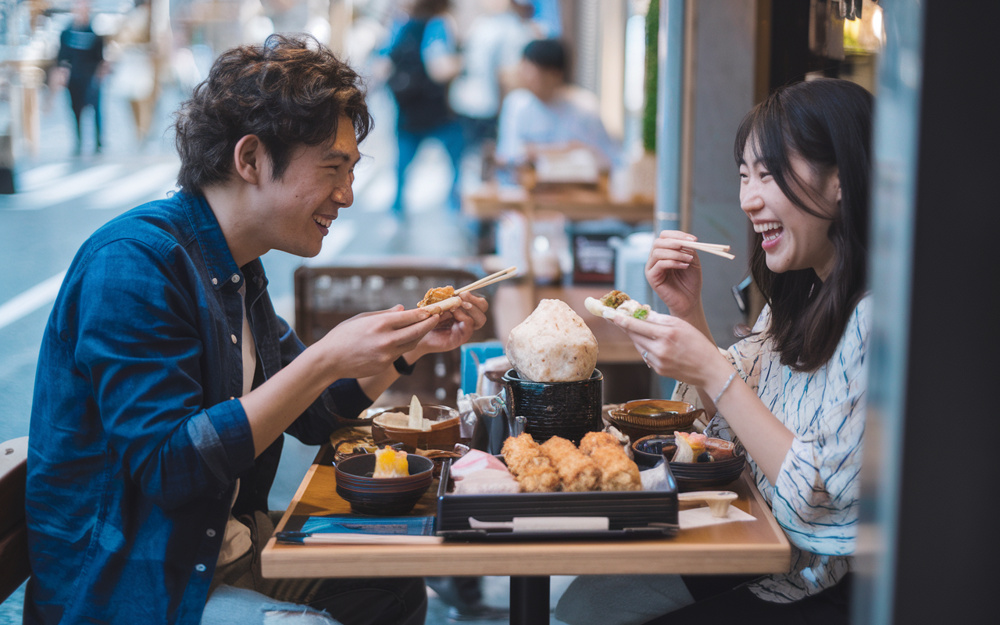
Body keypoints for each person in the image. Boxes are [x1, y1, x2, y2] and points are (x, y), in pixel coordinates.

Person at [24, 34, 488, 625]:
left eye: (352, 169)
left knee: (392, 582)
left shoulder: (235, 264)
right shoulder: (133, 264)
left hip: (217, 554)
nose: (346, 194)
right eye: (332, 168)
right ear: (249, 160)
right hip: (138, 587)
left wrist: (407, 348)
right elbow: (170, 466)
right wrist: (324, 358)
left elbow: (316, 412)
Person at [555, 78, 873, 625]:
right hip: (760, 550)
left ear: (841, 179)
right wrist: (688, 314)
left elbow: (816, 506)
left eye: (769, 175)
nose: (749, 199)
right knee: (581, 604)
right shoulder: (800, 296)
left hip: (817, 585)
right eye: (745, 175)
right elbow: (726, 441)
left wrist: (710, 365)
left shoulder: (875, 318)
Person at [381, 0, 464, 218]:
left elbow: (383, 64)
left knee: (402, 168)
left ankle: (397, 212)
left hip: (408, 110)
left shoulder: (399, 25)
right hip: (438, 110)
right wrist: (465, 61)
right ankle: (455, 209)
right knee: (457, 163)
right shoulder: (438, 24)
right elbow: (440, 69)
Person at [494, 38, 619, 174]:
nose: (523, 74)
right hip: (524, 190)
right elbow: (507, 155)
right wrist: (566, 150)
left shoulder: (584, 108)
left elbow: (608, 159)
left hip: (572, 190)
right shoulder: (516, 104)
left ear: (555, 74)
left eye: (530, 69)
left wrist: (536, 151)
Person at [53, 0, 107, 155]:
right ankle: (79, 140)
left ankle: (98, 141)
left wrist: (98, 76)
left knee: (95, 109)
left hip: (90, 77)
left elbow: (100, 58)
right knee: (75, 109)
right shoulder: (67, 32)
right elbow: (62, 57)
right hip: (74, 78)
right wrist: (61, 73)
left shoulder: (95, 32)